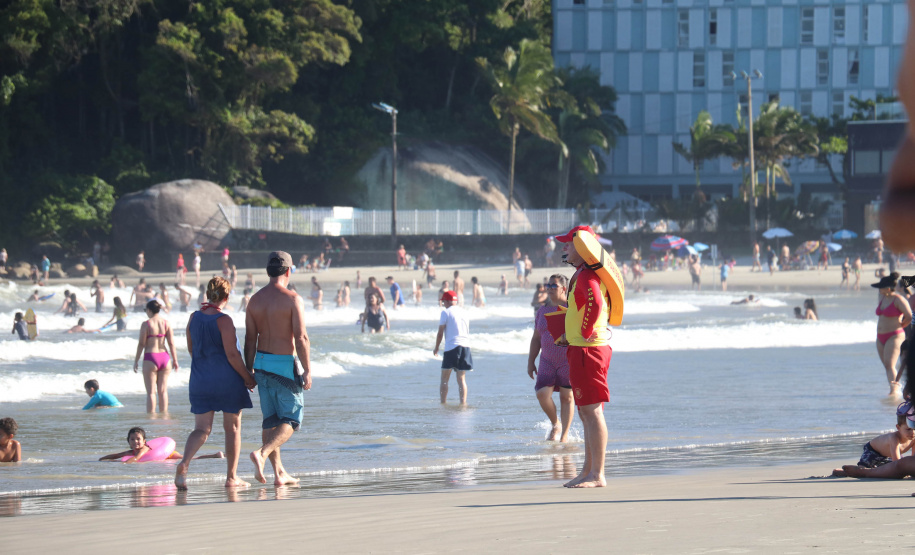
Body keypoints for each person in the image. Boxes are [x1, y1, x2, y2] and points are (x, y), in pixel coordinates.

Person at [176, 277, 255, 488]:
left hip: (200, 380)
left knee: (201, 430)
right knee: (233, 428)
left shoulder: (193, 318)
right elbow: (232, 354)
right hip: (227, 381)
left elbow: (192, 350)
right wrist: (248, 377)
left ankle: (184, 464)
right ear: (227, 297)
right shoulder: (224, 320)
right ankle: (231, 477)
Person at [244, 251, 312, 486]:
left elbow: (249, 339)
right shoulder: (293, 299)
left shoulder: (254, 300)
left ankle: (279, 473)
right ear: (288, 271)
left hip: (260, 365)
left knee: (270, 420)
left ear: (267, 271)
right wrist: (307, 369)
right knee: (292, 419)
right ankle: (262, 454)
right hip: (283, 365)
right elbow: (301, 337)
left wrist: (248, 371)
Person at [555, 225, 614, 488]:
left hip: (589, 351)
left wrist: (586, 329)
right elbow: (586, 306)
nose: (564, 248)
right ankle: (587, 470)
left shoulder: (587, 276)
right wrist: (570, 332)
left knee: (592, 411)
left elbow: (596, 303)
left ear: (582, 248)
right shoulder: (582, 273)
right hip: (581, 348)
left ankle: (597, 474)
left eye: (568, 244)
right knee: (585, 412)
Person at [528, 274, 574, 442]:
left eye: (554, 286)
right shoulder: (542, 311)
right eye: (548, 285)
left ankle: (564, 435)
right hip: (547, 360)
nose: (549, 288)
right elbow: (536, 338)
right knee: (542, 394)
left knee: (566, 397)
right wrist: (530, 361)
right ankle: (556, 423)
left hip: (568, 360)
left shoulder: (572, 308)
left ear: (564, 288)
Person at [834, 415, 915, 478]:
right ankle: (842, 472)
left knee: (882, 470)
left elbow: (913, 459)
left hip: (889, 455)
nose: (913, 432)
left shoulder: (914, 439)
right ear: (898, 427)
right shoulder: (894, 438)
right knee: (863, 468)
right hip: (873, 452)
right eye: (908, 429)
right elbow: (896, 463)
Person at [134, 300, 178, 413]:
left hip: (151, 357)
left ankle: (151, 418)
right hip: (165, 357)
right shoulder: (166, 323)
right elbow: (171, 343)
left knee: (151, 392)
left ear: (149, 310)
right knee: (163, 391)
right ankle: (164, 416)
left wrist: (136, 360)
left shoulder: (146, 324)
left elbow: (141, 344)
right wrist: (175, 360)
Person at [874, 273, 913, 396]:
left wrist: (901, 326)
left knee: (890, 364)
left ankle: (894, 390)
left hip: (894, 335)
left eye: (881, 287)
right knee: (887, 365)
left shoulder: (898, 299)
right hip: (880, 337)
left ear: (888, 288)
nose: (879, 289)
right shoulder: (882, 298)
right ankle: (894, 387)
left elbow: (909, 316)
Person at [433, 291, 472, 404]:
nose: (443, 304)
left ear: (448, 301)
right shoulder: (465, 312)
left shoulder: (446, 312)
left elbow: (440, 332)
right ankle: (463, 404)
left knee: (444, 379)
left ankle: (443, 403)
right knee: (461, 379)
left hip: (451, 348)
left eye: (443, 301)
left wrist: (436, 347)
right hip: (465, 347)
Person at [103, 427, 224, 463]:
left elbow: (137, 458)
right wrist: (103, 459)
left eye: (138, 439)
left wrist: (125, 463)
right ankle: (214, 455)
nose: (135, 442)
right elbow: (117, 455)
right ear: (128, 441)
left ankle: (214, 455)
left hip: (168, 454)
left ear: (144, 441)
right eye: (132, 439)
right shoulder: (130, 452)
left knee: (190, 458)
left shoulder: (144, 448)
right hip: (162, 457)